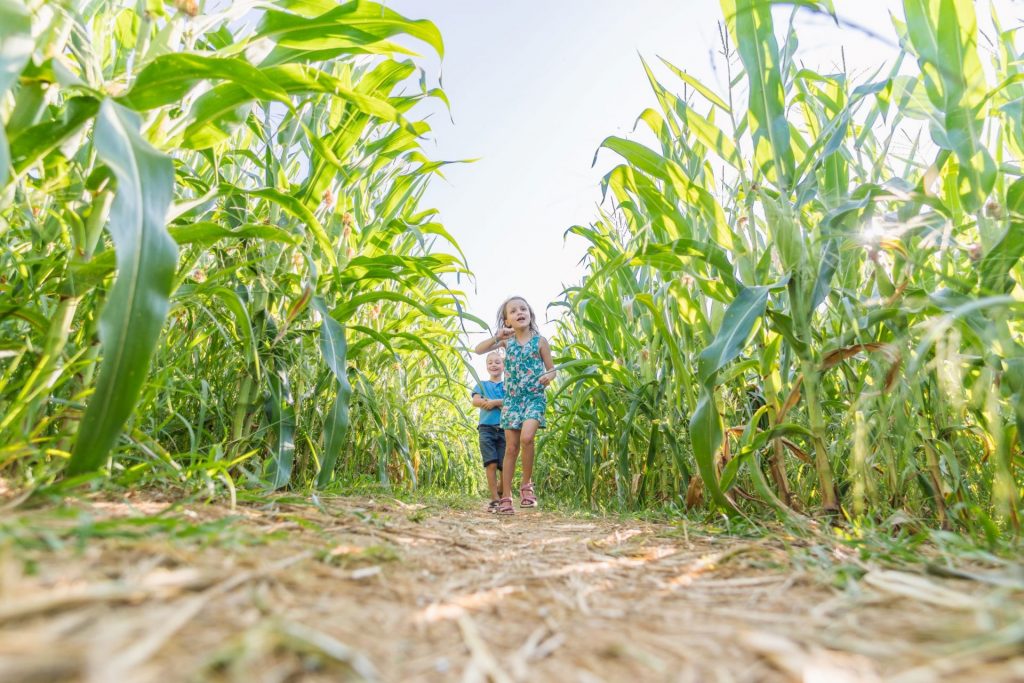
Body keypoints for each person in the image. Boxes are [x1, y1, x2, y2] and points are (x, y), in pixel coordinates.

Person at [474, 296, 556, 515]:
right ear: (507, 321)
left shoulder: (540, 341)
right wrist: (496, 337)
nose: (520, 312)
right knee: (511, 448)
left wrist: (549, 376)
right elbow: (478, 350)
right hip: (512, 400)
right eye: (513, 311)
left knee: (527, 438)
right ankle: (506, 496)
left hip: (533, 397)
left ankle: (526, 485)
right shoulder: (506, 342)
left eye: (523, 309)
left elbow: (552, 368)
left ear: (530, 314)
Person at [472, 351, 506, 512]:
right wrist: (489, 402)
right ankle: (494, 498)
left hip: (505, 429)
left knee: (505, 465)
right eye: (490, 362)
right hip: (486, 429)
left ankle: (501, 489)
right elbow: (475, 401)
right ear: (486, 366)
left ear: (504, 366)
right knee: (491, 463)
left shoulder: (507, 386)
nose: (494, 365)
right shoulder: (481, 384)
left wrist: (495, 402)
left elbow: (510, 403)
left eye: (497, 362)